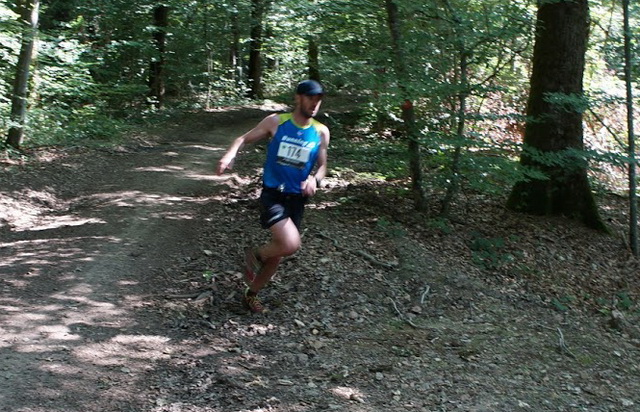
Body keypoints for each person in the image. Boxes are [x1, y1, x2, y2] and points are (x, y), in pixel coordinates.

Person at [216, 80, 330, 313]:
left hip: (297, 199)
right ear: (298, 98)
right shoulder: (276, 122)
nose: (315, 103)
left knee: (279, 253)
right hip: (273, 195)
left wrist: (314, 180)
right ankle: (254, 254)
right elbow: (242, 139)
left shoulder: (320, 131)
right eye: (310, 98)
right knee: (290, 244)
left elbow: (322, 167)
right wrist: (229, 155)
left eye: (318, 99)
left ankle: (251, 294)